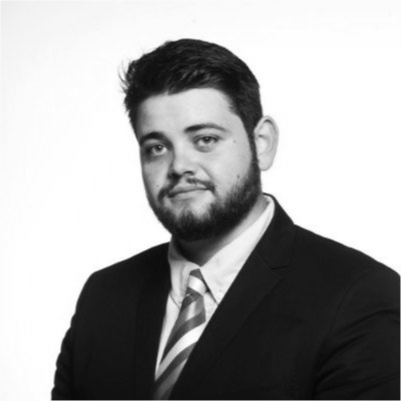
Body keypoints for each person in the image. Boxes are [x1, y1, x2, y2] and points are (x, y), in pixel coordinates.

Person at [52, 39, 401, 401]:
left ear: (262, 143)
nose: (179, 166)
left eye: (205, 139)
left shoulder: (358, 296)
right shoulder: (104, 296)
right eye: (157, 147)